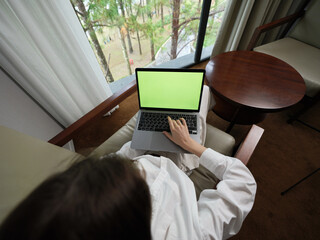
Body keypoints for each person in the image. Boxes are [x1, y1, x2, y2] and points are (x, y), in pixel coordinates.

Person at [0, 86, 257, 240]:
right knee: (201, 92)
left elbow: (113, 163)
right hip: (183, 163)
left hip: (135, 153)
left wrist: (137, 147)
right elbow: (243, 184)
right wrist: (192, 146)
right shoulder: (189, 234)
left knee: (155, 104)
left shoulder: (52, 217)